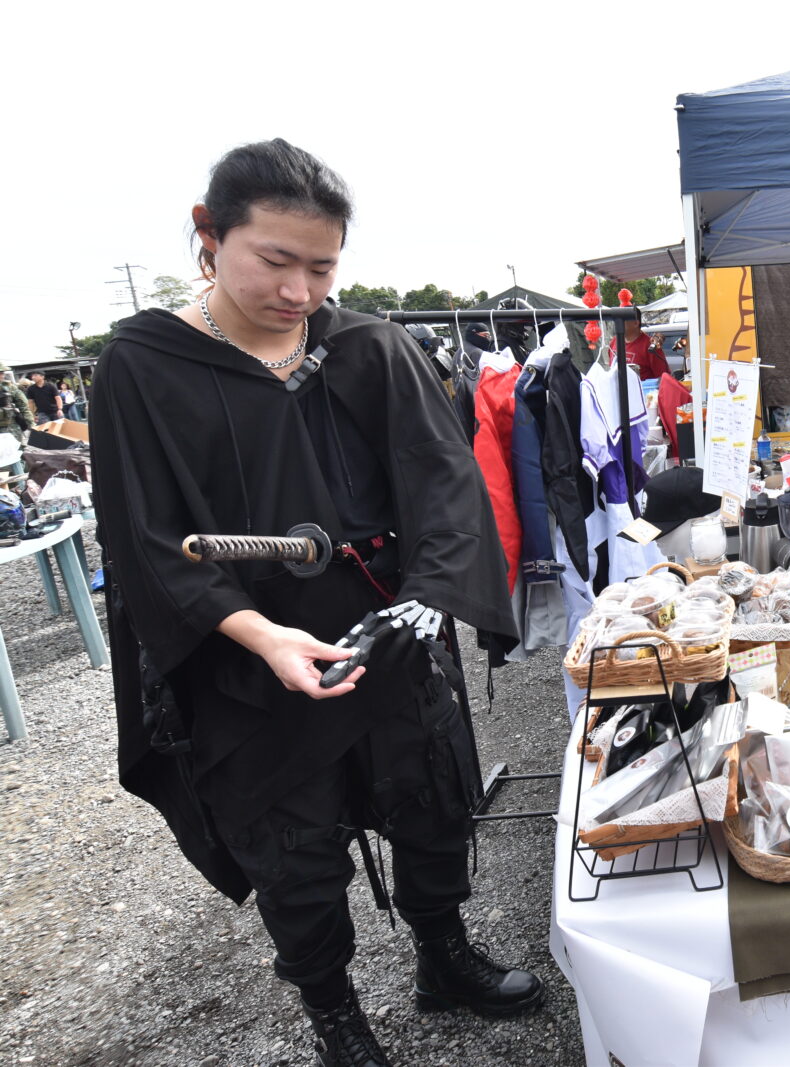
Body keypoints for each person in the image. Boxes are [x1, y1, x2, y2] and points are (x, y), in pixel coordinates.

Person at [91, 139, 542, 1067]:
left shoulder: (369, 347)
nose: (299, 290)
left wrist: (425, 603)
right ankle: (337, 1018)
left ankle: (443, 954)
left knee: (430, 800)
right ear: (209, 233)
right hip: (246, 654)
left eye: (323, 267)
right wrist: (261, 636)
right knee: (292, 850)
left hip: (385, 626)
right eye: (275, 260)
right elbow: (144, 537)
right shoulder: (143, 364)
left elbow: (446, 488)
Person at [610, 316, 670, 381]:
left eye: (622, 320)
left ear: (636, 323)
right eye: (616, 320)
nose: (617, 323)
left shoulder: (651, 347)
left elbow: (664, 379)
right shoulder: (614, 341)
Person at [0, 364, 33, 442]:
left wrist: (30, 422)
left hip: (8, 426)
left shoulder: (9, 387)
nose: (2, 376)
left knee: (15, 446)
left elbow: (23, 406)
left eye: (2, 373)